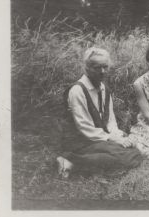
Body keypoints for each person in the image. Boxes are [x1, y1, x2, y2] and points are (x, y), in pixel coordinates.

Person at [56, 47, 142, 178]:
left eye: (105, 67)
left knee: (133, 151)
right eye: (97, 67)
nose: (102, 71)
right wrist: (112, 139)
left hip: (99, 140)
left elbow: (110, 121)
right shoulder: (77, 90)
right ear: (87, 68)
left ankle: (77, 162)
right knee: (130, 156)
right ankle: (72, 159)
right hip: (81, 142)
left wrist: (117, 136)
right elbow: (83, 127)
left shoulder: (104, 89)